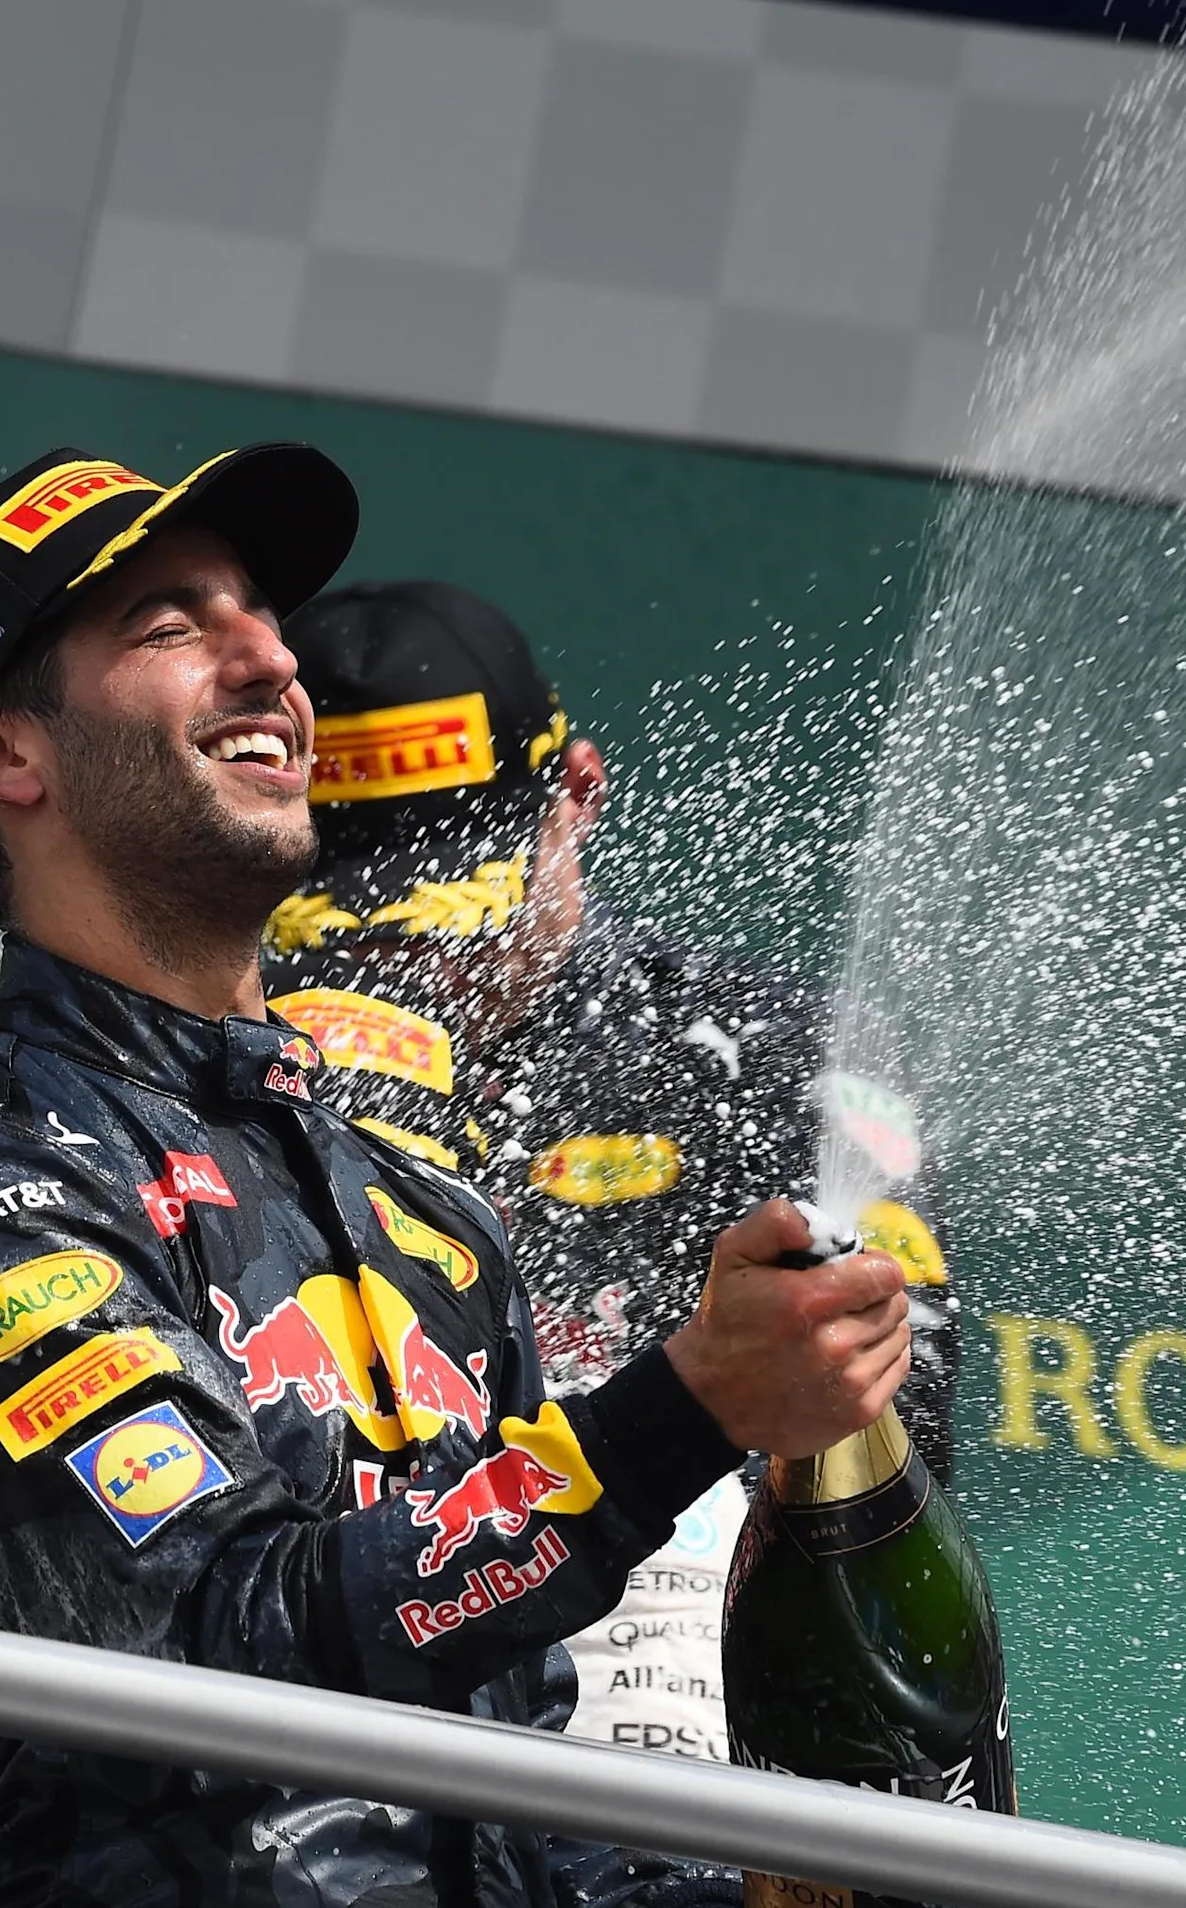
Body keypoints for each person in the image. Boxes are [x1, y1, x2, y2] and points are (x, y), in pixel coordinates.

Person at [0, 445, 916, 1908]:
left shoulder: (421, 1204)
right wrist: (685, 1410)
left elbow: (513, 1784)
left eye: (257, 612)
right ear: (7, 756)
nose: (270, 658)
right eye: (171, 625)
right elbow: (218, 1653)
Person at [260, 583, 964, 1794]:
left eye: (452, 896)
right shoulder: (204, 1068)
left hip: (659, 1692)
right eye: (348, 904)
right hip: (310, 1686)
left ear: (576, 795)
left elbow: (907, 1437)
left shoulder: (765, 1055)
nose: (408, 952)